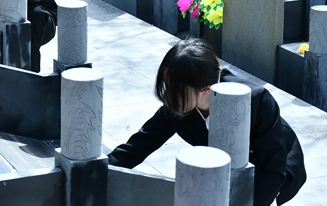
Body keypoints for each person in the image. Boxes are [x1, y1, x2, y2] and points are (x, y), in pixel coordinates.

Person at [107, 39, 306, 206]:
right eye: (167, 85)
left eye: (177, 90)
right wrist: (99, 171)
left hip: (271, 161)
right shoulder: (177, 104)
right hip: (224, 170)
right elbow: (138, 146)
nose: (169, 95)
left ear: (206, 90)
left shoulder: (256, 100)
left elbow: (272, 168)